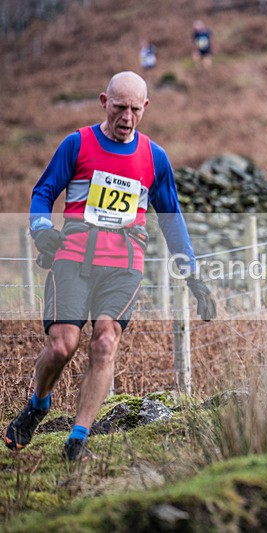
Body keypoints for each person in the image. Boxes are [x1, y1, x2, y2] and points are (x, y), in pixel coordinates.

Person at [3, 71, 216, 461]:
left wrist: (193, 275)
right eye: (119, 108)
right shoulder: (77, 144)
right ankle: (38, 405)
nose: (127, 118)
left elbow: (171, 219)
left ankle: (78, 440)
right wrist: (41, 229)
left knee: (104, 341)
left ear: (145, 108)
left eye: (135, 109)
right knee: (62, 345)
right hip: (73, 257)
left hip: (124, 264)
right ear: (104, 102)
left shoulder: (155, 157)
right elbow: (42, 192)